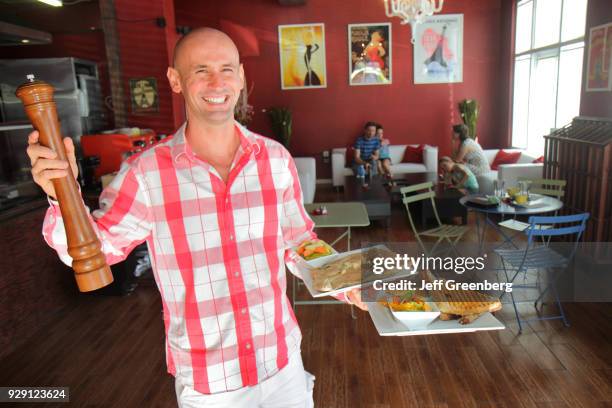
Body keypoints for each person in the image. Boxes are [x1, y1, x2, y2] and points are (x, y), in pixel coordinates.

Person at [26, 27, 367, 407]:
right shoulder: (146, 174)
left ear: (240, 76)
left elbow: (299, 243)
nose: (216, 82)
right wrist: (63, 193)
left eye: (226, 69)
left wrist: (350, 282)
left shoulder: (275, 160)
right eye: (200, 70)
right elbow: (89, 254)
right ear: (175, 80)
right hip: (210, 385)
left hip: (282, 362)